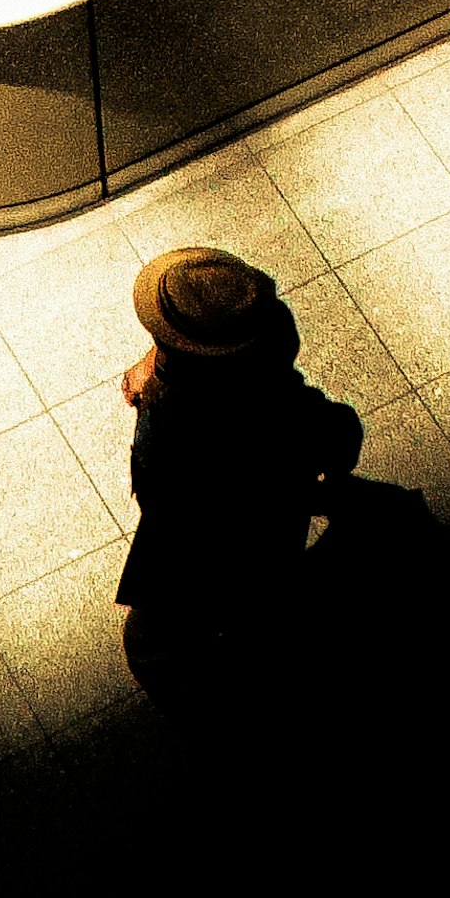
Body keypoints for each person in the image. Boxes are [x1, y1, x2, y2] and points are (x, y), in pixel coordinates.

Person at [115, 249, 366, 693]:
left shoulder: (221, 421)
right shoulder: (256, 343)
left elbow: (332, 435)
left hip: (217, 540)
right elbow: (339, 438)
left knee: (159, 637)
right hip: (236, 521)